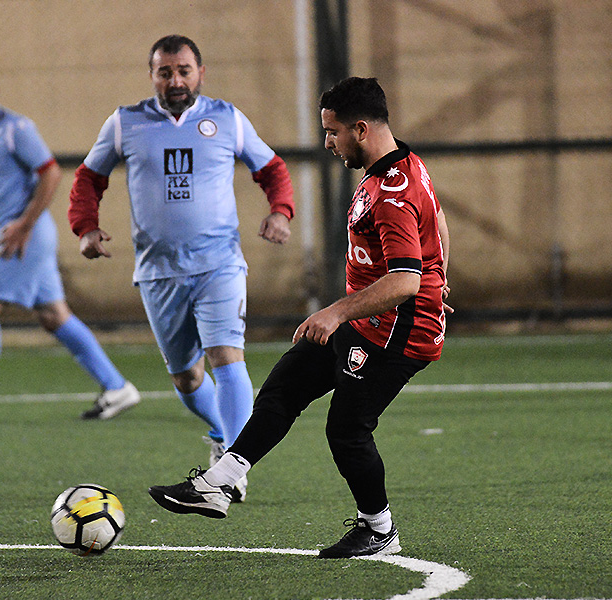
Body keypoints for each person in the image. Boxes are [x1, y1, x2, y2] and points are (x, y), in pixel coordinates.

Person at [149, 76, 452, 559]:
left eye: (332, 132)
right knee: (284, 385)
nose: (327, 142)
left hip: (398, 330)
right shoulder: (402, 165)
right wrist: (439, 273)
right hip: (371, 318)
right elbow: (435, 223)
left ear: (360, 128)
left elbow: (404, 282)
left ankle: (379, 530)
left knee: (347, 430)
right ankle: (217, 484)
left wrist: (336, 311)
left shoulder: (393, 192)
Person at [68, 35, 294, 499]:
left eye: (184, 70)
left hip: (220, 263)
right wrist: (86, 228)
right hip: (158, 271)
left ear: (200, 73)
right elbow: (89, 178)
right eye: (165, 72)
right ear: (151, 75)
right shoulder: (124, 123)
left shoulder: (227, 119)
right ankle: (221, 434)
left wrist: (280, 210)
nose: (175, 80)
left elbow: (272, 169)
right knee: (187, 378)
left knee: (226, 357)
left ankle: (229, 471)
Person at [0, 65, 139, 426]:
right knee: (53, 315)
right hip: (6, 233)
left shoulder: (16, 128)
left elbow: (51, 172)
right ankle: (116, 387)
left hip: (27, 235)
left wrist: (24, 224)